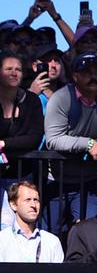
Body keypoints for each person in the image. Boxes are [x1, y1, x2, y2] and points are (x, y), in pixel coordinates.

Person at [43, 52, 97, 234]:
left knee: (92, 233)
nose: (93, 76)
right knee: (50, 233)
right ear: (75, 76)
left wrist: (90, 145)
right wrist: (88, 144)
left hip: (91, 182)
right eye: (86, 72)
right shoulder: (61, 98)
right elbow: (53, 139)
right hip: (56, 180)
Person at [0, 53, 44, 230]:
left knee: (13, 226)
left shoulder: (31, 100)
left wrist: (4, 144)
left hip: (21, 175)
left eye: (18, 69)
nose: (14, 73)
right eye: (8, 69)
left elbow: (34, 138)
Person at [0, 181, 63, 263]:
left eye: (36, 200)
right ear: (13, 205)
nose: (33, 205)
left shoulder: (52, 241)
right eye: (28, 200)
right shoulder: (3, 240)